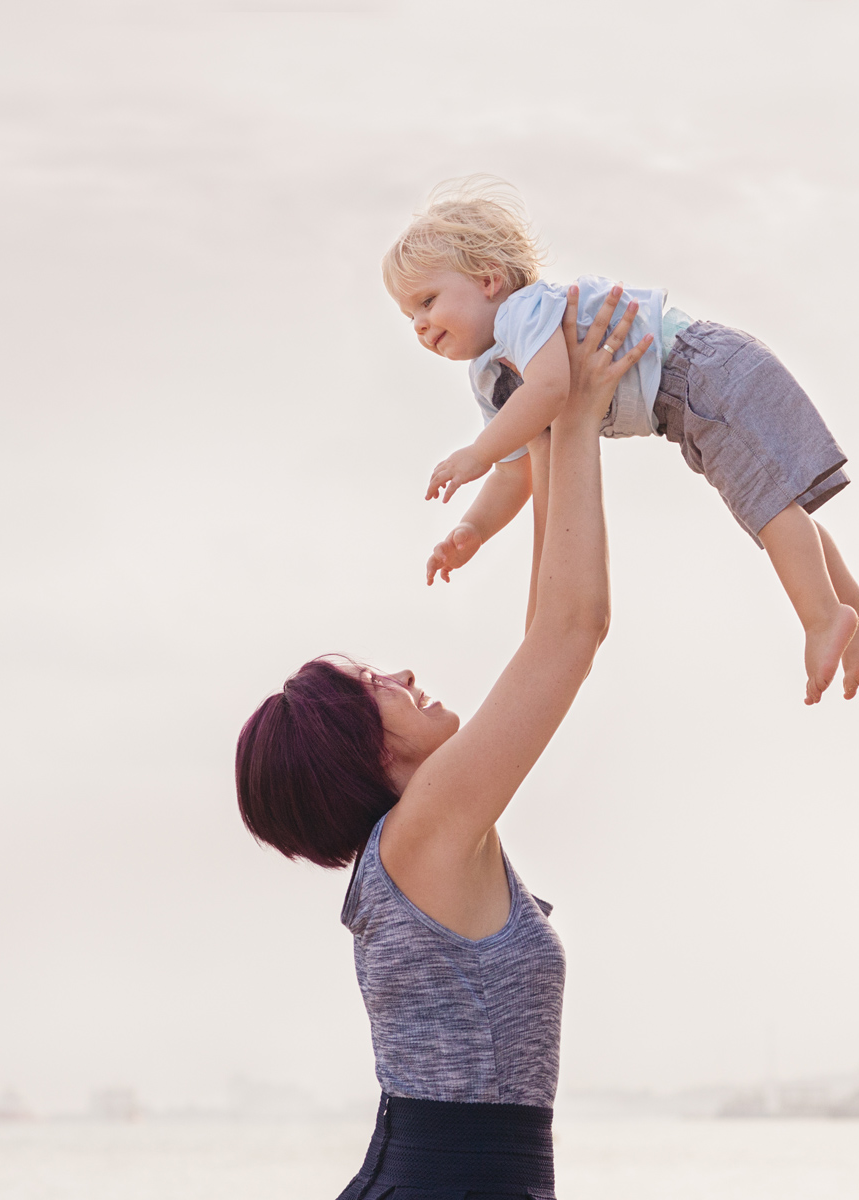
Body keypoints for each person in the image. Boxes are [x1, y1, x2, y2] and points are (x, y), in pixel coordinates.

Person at [235, 287, 649, 1200]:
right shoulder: (423, 833)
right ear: (355, 752)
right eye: (372, 689)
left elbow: (550, 621)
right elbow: (573, 633)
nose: (399, 677)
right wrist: (570, 417)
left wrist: (546, 424)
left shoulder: (432, 831)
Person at [386, 176, 859, 705]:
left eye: (427, 300)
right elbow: (517, 471)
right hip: (685, 406)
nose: (419, 324)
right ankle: (858, 605)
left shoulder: (525, 312)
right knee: (773, 507)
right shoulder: (491, 374)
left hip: (702, 371)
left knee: (768, 509)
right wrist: (473, 528)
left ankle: (823, 617)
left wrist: (473, 453)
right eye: (408, 316)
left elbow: (554, 390)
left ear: (488, 279)